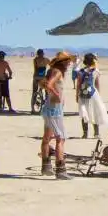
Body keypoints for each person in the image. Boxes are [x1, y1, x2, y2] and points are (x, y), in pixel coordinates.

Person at [40, 51, 75, 179]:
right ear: (62, 62)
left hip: (48, 108)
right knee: (60, 139)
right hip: (54, 110)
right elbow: (48, 84)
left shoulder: (51, 71)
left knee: (46, 138)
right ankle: (61, 170)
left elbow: (43, 83)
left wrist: (52, 93)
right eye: (67, 61)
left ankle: (46, 166)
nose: (69, 63)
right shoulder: (57, 72)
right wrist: (56, 94)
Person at [76, 53, 108, 138]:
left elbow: (78, 84)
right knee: (95, 113)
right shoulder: (95, 71)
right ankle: (96, 133)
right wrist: (99, 95)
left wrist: (77, 95)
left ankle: (85, 133)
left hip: (82, 95)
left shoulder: (81, 72)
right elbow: (97, 84)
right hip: (93, 94)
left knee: (84, 113)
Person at [31, 49, 50, 114]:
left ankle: (32, 109)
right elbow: (52, 66)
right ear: (43, 53)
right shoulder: (46, 60)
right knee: (47, 91)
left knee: (34, 92)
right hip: (43, 78)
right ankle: (47, 106)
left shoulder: (35, 60)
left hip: (36, 77)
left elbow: (35, 69)